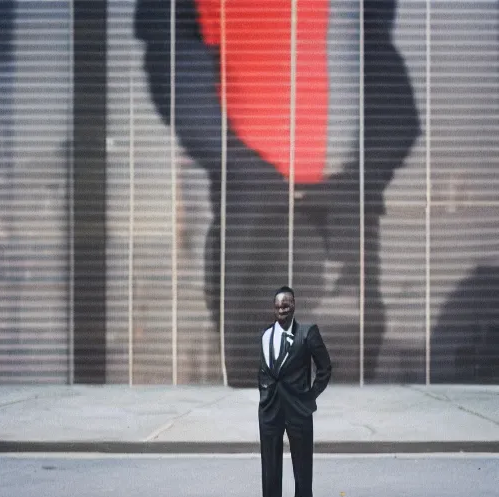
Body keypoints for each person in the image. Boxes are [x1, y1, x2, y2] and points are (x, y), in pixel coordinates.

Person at [134, 0, 419, 386]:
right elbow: (180, 79)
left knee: (320, 390)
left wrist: (340, 185)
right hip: (265, 224)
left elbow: (398, 115)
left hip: (308, 225)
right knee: (283, 389)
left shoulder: (350, 25)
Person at [258, 286, 331, 497]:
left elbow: (325, 368)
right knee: (269, 462)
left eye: (286, 305)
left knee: (302, 461)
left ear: (294, 306)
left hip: (298, 408)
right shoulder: (266, 335)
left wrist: (310, 396)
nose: (282, 310)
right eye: (278, 306)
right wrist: (264, 393)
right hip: (270, 409)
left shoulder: (308, 333)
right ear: (274, 308)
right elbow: (264, 370)